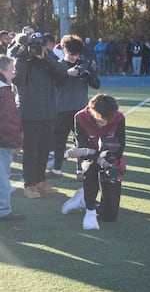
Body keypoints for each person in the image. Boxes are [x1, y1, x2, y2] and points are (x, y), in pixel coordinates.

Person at [13, 32, 68, 198]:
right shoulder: (22, 60)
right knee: (31, 149)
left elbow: (62, 72)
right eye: (35, 45)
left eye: (41, 45)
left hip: (49, 111)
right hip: (30, 112)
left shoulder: (47, 59)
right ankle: (29, 184)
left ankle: (40, 180)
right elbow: (18, 80)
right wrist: (23, 54)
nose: (37, 49)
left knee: (45, 148)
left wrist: (45, 57)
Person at [61, 94, 126, 230]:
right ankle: (90, 210)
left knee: (110, 216)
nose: (105, 123)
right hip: (89, 159)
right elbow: (82, 146)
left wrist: (105, 160)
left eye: (108, 120)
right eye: (101, 120)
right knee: (90, 169)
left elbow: (119, 147)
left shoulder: (119, 118)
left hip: (109, 158)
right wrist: (95, 157)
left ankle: (83, 200)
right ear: (92, 111)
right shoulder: (80, 117)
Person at [49, 35, 101, 179]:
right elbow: (55, 84)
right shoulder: (58, 65)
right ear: (65, 50)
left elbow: (96, 85)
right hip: (61, 109)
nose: (74, 57)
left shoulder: (84, 64)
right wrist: (67, 74)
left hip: (80, 110)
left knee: (81, 142)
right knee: (59, 141)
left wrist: (89, 73)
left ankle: (81, 170)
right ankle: (57, 169)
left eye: (77, 54)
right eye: (71, 54)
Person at [0, 55, 24, 221]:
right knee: (2, 178)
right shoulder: (4, 92)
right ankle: (4, 210)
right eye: (11, 69)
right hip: (2, 142)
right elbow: (8, 120)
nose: (14, 72)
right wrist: (16, 141)